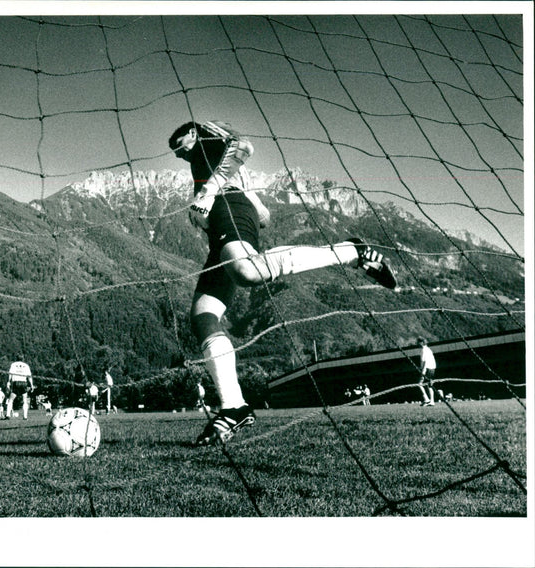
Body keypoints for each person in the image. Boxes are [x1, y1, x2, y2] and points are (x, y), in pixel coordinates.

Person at [168, 120, 397, 446]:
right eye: (175, 151)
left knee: (248, 272)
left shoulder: (209, 140)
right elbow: (262, 214)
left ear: (193, 132)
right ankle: (234, 406)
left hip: (228, 208)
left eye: (180, 142)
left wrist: (207, 193)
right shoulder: (203, 160)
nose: (179, 152)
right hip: (227, 214)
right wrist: (243, 204)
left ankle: (352, 251)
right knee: (203, 315)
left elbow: (242, 146)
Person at [417, 337, 437, 406]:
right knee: (430, 385)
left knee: (419, 384)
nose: (417, 344)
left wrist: (422, 371)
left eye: (418, 342)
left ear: (421, 342)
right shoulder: (429, 350)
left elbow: (424, 362)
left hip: (427, 368)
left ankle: (426, 399)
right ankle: (432, 401)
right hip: (432, 368)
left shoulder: (423, 350)